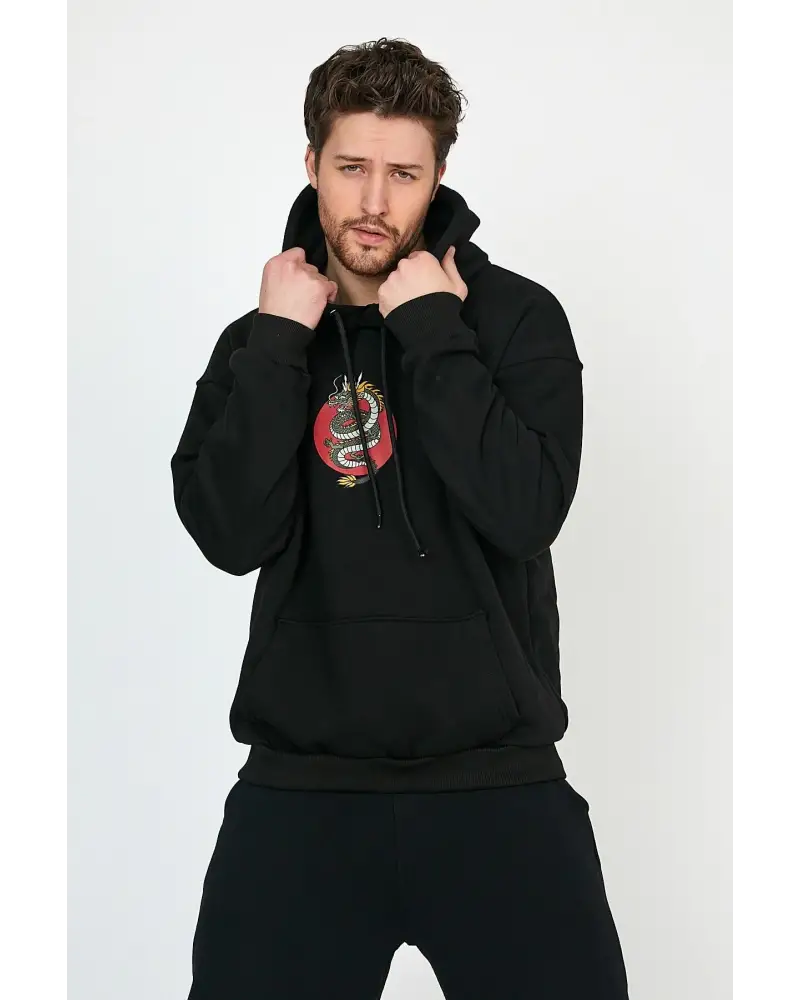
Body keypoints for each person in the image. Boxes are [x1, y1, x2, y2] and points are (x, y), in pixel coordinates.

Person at [170, 36, 629, 1000]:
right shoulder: (262, 338)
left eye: (403, 174)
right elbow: (228, 535)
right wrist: (277, 345)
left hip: (498, 790)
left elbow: (525, 512)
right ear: (311, 164)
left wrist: (432, 331)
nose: (374, 202)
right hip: (301, 795)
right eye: (351, 168)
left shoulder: (514, 321)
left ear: (439, 177)